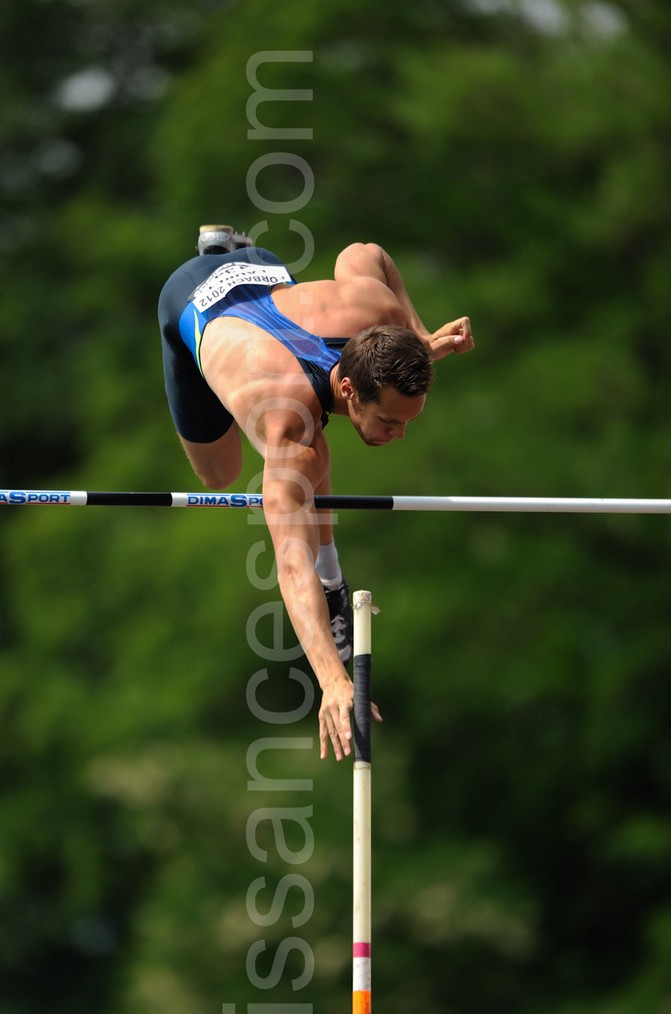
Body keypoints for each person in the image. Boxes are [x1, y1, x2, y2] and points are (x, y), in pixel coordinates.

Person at [158, 225, 474, 762]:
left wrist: (420, 337)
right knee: (224, 473)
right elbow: (288, 562)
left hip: (258, 267)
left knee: (313, 451)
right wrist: (331, 679)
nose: (400, 435)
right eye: (390, 421)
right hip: (190, 300)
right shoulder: (286, 428)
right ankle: (333, 583)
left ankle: (334, 584)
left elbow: (367, 253)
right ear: (350, 389)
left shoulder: (378, 312)